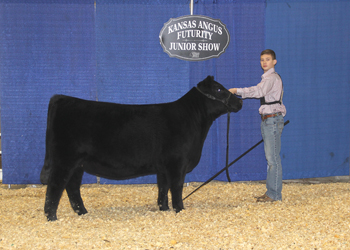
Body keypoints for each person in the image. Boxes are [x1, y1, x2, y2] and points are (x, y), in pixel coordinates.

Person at [229, 49, 286, 202]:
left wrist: (237, 91)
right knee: (271, 158)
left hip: (272, 120)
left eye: (267, 59)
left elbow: (258, 91)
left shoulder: (271, 78)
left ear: (274, 62)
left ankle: (274, 195)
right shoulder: (268, 78)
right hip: (269, 120)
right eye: (262, 60)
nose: (264, 62)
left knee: (272, 158)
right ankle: (271, 193)